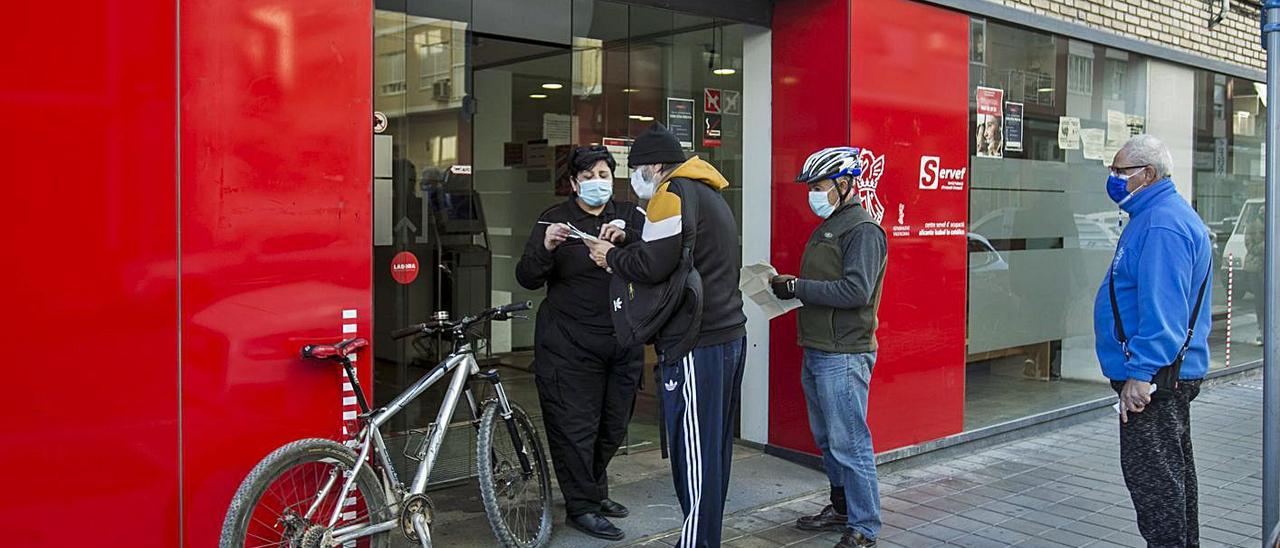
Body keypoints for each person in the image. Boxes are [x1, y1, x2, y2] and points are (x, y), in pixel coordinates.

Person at [584, 123, 747, 547]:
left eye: (635, 169)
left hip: (696, 342)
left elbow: (653, 268)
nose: (632, 178)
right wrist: (632, 237)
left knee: (693, 457)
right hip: (726, 336)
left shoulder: (671, 193)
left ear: (654, 166)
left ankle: (696, 543)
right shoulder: (705, 191)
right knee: (711, 453)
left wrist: (611, 256)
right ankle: (701, 538)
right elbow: (675, 252)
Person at [515, 145, 646, 541]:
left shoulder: (627, 215)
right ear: (573, 183)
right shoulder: (554, 220)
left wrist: (626, 238)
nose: (596, 184)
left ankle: (593, 490)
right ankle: (582, 506)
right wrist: (547, 247)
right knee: (575, 427)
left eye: (603, 175)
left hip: (622, 340)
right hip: (568, 343)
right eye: (587, 177)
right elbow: (527, 277)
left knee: (613, 424)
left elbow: (657, 257)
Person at [1094, 134, 1213, 548]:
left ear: (1146, 174)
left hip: (1157, 379)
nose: (1112, 178)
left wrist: (1140, 375)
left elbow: (1163, 314)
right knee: (1172, 482)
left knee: (1156, 490)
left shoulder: (1162, 223)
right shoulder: (1152, 215)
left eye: (1119, 171)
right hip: (1164, 374)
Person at [769, 147, 887, 548]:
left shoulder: (863, 230)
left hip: (844, 352)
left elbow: (856, 290)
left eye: (818, 186)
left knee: (851, 441)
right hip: (819, 347)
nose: (812, 194)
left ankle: (865, 527)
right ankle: (841, 508)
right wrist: (789, 285)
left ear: (843, 184)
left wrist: (798, 288)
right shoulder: (831, 224)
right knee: (827, 439)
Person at [1245, 207, 1265, 346]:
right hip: (1255, 268)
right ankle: (1262, 331)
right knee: (1260, 302)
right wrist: (1265, 245)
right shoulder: (1252, 226)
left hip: (1267, 267)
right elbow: (1250, 246)